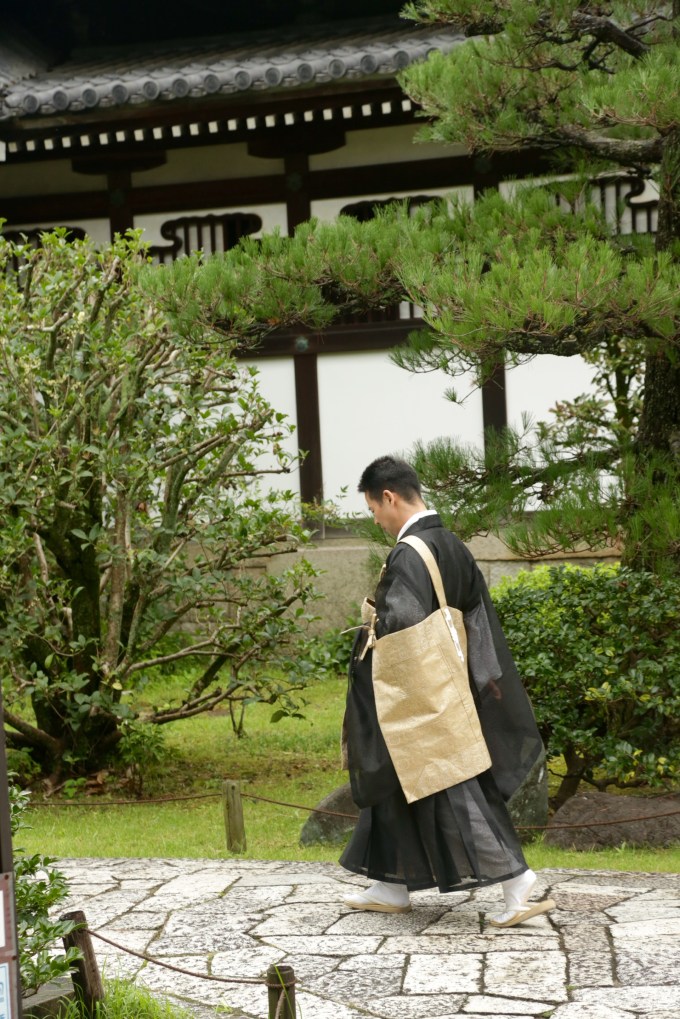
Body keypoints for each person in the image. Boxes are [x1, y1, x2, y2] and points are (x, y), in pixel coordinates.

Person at [340, 455, 555, 927]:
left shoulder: (409, 553)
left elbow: (401, 622)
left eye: (373, 510)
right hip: (448, 683)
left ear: (389, 498)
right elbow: (477, 614)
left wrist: (369, 630)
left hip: (418, 695)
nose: (375, 520)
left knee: (449, 784)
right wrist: (482, 677)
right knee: (395, 776)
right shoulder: (451, 544)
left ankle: (517, 883)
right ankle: (391, 884)